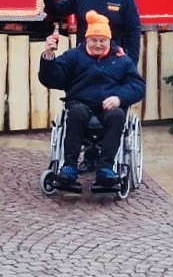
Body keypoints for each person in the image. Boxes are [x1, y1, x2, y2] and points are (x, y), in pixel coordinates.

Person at [38, 10, 144, 190]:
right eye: (94, 40)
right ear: (86, 39)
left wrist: (119, 98)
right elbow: (52, 79)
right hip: (80, 103)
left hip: (110, 105)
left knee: (117, 116)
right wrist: (48, 57)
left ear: (109, 40)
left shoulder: (122, 60)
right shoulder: (74, 56)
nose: (98, 44)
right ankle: (69, 167)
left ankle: (106, 168)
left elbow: (138, 86)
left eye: (102, 40)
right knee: (76, 113)